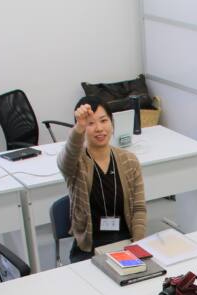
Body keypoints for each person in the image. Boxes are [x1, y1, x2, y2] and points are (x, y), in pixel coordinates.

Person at [58, 96, 147, 263]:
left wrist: (137, 245)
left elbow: (139, 208)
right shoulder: (77, 164)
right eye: (90, 124)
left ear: (112, 123)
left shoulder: (129, 160)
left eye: (104, 120)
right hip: (88, 249)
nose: (99, 128)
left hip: (125, 243)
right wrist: (79, 127)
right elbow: (66, 159)